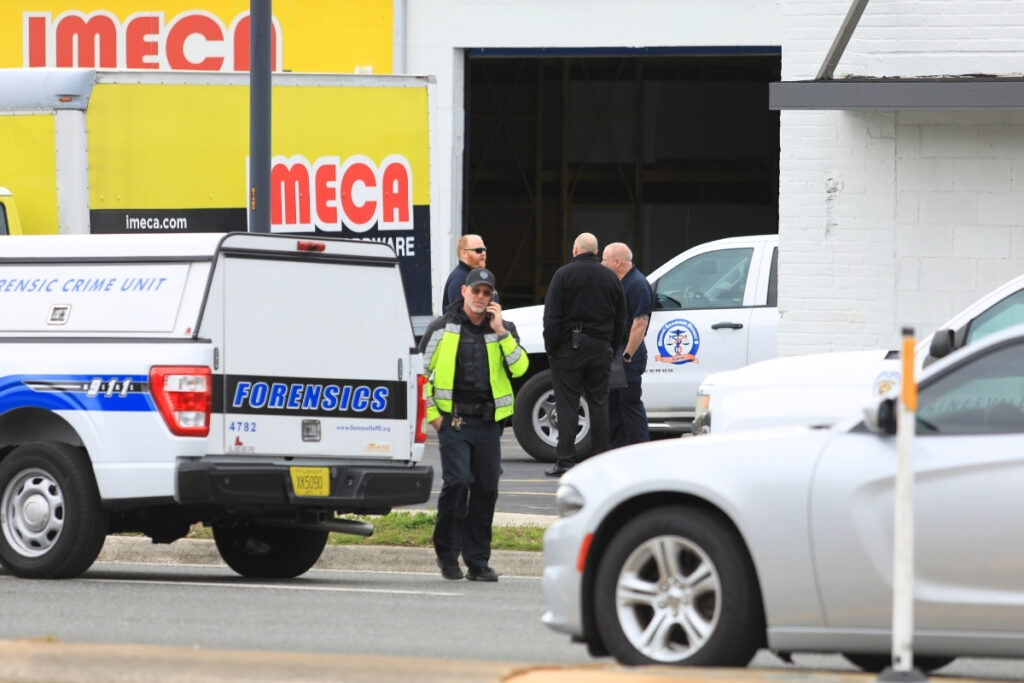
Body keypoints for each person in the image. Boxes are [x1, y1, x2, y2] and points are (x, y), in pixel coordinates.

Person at [419, 267, 529, 582]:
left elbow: (520, 369)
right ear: (464, 291)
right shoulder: (442, 327)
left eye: (487, 292)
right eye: (476, 290)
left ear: (493, 297)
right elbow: (420, 374)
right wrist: (434, 418)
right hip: (452, 420)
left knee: (486, 490)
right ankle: (447, 555)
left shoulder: (504, 328)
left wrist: (502, 333)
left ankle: (477, 562)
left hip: (488, 424)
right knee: (458, 483)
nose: (481, 297)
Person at [542, 233, 626, 477]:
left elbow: (552, 317)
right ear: (596, 251)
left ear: (575, 249)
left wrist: (552, 347)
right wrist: (611, 344)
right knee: (599, 403)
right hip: (601, 348)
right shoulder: (611, 277)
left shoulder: (563, 275)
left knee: (567, 403)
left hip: (569, 347)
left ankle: (566, 461)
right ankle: (601, 459)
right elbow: (622, 317)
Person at [602, 242, 653, 448]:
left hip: (629, 353)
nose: (602, 263)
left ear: (617, 261)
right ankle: (618, 449)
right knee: (613, 404)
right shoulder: (620, 282)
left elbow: (640, 323)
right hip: (618, 352)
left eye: (604, 259)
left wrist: (627, 355)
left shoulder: (638, 284)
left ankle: (641, 448)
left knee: (629, 403)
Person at [441, 234, 497, 309]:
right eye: (478, 250)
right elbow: (458, 316)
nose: (483, 253)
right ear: (464, 253)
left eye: (484, 250)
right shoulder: (459, 279)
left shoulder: (477, 276)